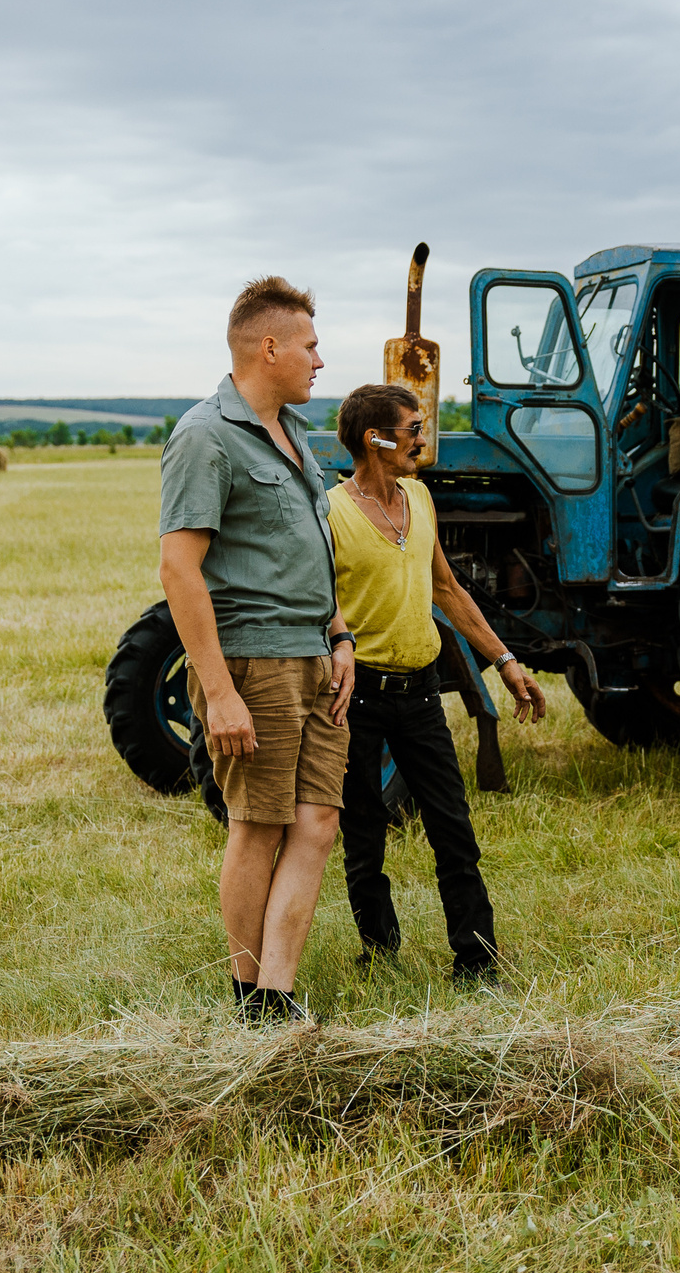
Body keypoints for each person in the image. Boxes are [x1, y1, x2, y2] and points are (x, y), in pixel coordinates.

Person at [157, 277, 360, 1024]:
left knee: (317, 823)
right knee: (259, 824)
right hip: (255, 659)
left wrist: (339, 635)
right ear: (268, 346)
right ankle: (249, 996)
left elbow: (311, 547)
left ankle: (279, 989)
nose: (320, 360)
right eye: (310, 345)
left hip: (314, 656)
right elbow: (179, 568)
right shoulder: (206, 435)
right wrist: (220, 690)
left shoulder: (294, 435)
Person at [328, 382, 545, 981]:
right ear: (374, 440)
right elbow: (320, 603)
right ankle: (380, 951)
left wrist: (504, 660)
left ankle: (478, 961)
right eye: (412, 429)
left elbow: (447, 589)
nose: (422, 440)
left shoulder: (419, 499)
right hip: (359, 697)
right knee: (364, 833)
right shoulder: (332, 512)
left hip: (420, 690)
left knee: (452, 827)